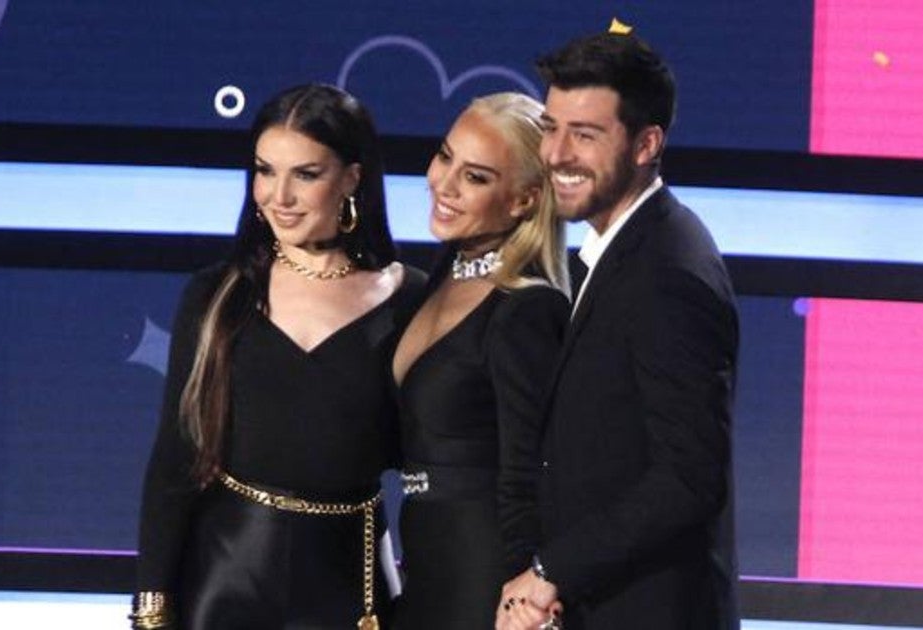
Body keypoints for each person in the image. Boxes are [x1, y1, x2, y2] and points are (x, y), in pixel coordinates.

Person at [131, 83, 425, 630]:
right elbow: (174, 459)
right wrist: (151, 607)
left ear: (353, 178)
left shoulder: (412, 300)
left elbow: (439, 460)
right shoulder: (217, 295)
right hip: (226, 576)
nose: (278, 196)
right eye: (265, 171)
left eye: (305, 174)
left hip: (351, 585)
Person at [497, 29, 740, 630]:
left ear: (646, 143)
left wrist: (552, 570)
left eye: (585, 134)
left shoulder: (667, 271)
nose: (555, 153)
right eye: (551, 127)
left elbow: (688, 477)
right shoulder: (621, 250)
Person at [389, 92, 570, 629]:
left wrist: (524, 596)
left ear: (523, 200)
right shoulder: (443, 272)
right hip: (427, 558)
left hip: (483, 572)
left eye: (476, 177)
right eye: (445, 156)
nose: (443, 184)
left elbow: (529, 474)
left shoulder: (528, 309)